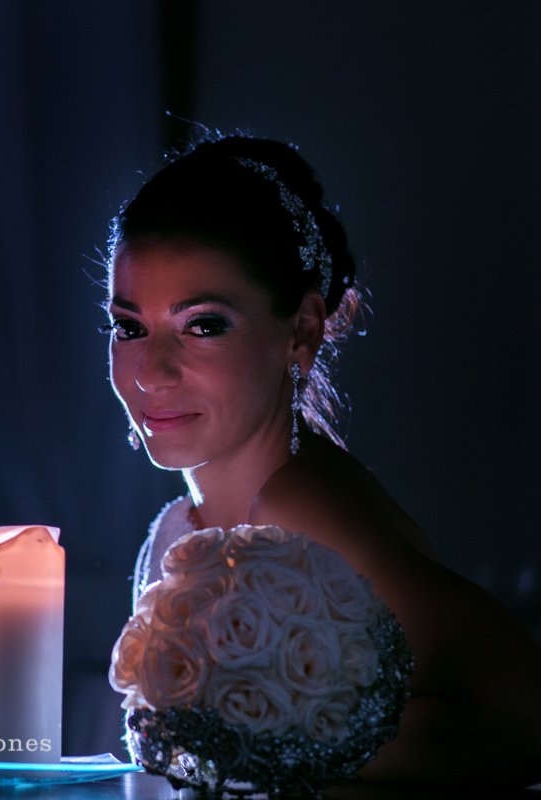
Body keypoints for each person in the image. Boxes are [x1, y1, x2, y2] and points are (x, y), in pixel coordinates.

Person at [103, 133, 541, 785]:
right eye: (131, 327)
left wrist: (286, 771)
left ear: (302, 329)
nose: (152, 373)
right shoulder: (176, 528)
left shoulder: (298, 505)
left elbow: (525, 714)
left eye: (203, 325)